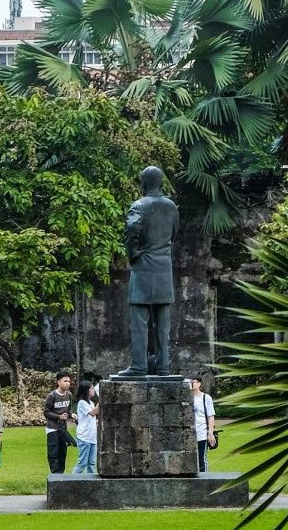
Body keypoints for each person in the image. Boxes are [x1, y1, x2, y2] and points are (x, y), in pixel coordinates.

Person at [119, 166, 180, 377]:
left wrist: (133, 253)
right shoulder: (171, 207)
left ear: (143, 183)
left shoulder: (138, 205)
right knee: (163, 324)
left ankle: (139, 365)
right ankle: (163, 366)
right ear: (161, 182)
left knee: (139, 321)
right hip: (164, 268)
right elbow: (174, 232)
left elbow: (131, 230)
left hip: (144, 267)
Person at [44, 371, 77, 474]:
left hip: (63, 428)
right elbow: (46, 412)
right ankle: (54, 474)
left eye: (69, 381)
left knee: (63, 452)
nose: (67, 383)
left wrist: (72, 415)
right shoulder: (52, 396)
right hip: (52, 428)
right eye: (65, 381)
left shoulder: (69, 395)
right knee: (53, 452)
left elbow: (69, 409)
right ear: (58, 382)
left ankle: (61, 476)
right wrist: (59, 416)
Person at [71, 380, 99, 474]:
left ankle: (91, 483)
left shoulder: (91, 403)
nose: (93, 390)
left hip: (92, 437)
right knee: (82, 463)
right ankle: (72, 481)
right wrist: (103, 400)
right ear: (86, 391)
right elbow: (92, 413)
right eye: (91, 388)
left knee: (91, 463)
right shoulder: (82, 403)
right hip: (84, 437)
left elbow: (92, 418)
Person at [190, 374, 216, 472]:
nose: (192, 384)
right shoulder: (186, 397)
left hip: (202, 433)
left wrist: (210, 433)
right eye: (191, 382)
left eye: (194, 382)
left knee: (202, 460)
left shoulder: (206, 398)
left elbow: (211, 416)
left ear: (199, 384)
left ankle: (204, 482)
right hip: (189, 434)